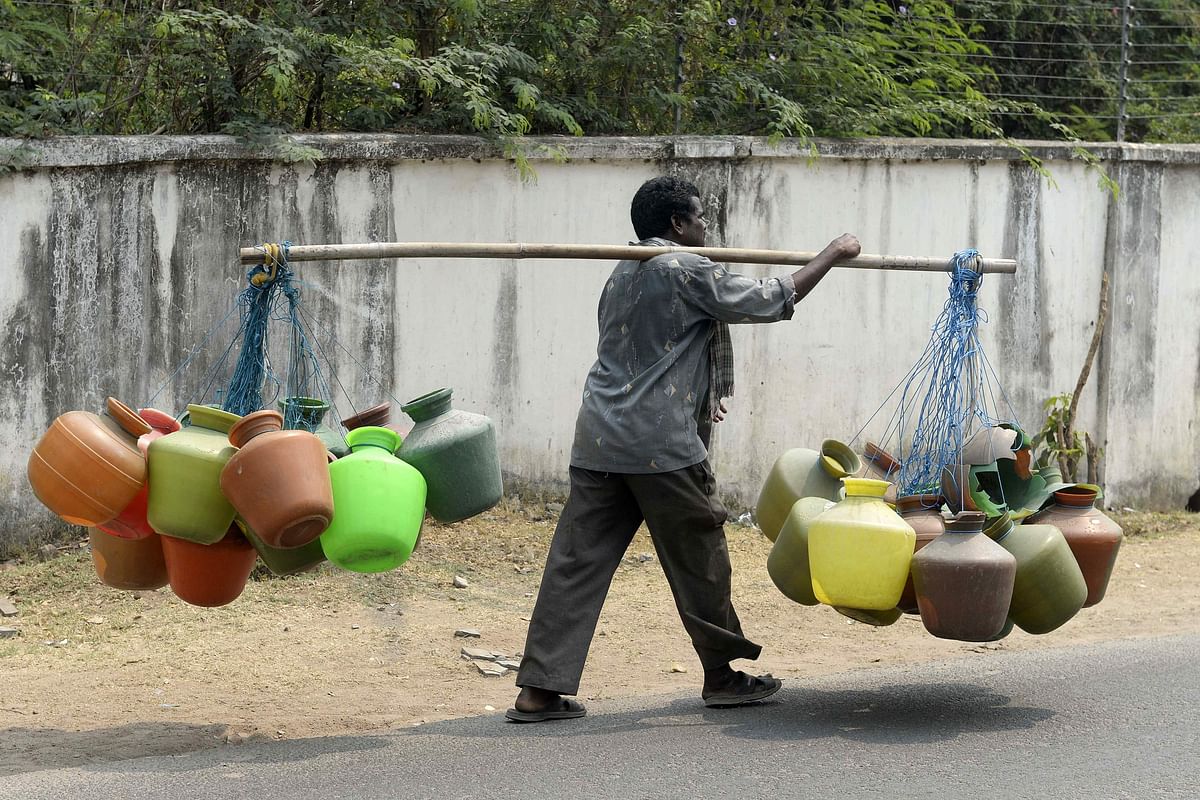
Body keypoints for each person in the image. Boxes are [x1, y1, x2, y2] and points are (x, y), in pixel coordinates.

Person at [506, 176, 861, 723]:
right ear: (676, 224)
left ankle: (538, 689)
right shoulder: (684, 270)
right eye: (698, 219)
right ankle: (722, 676)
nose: (704, 229)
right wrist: (834, 253)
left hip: (598, 440)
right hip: (661, 447)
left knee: (574, 566)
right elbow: (771, 298)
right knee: (701, 558)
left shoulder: (620, 271)